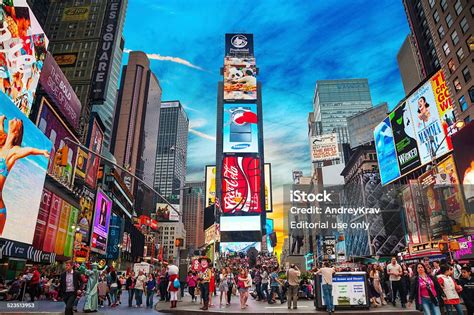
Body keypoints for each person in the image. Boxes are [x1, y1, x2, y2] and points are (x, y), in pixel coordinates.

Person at [0, 117, 50, 235]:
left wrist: (42, 152)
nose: (16, 119)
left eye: (18, 122)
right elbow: (1, 130)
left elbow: (30, 150)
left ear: (17, 131)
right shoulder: (2, 144)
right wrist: (1, 120)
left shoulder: (14, 151)